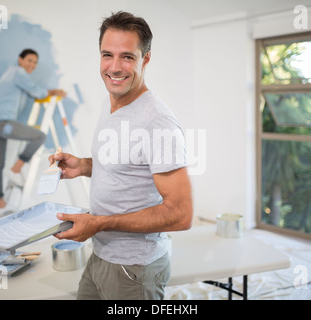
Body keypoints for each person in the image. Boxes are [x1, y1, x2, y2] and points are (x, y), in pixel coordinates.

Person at [49, 11, 193, 300]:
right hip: (101, 254)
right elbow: (125, 166)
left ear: (146, 59)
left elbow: (181, 214)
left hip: (134, 269)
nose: (114, 67)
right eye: (107, 55)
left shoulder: (157, 121)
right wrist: (83, 165)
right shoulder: (111, 101)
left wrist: (99, 222)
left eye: (127, 56)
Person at [0, 48, 66, 217]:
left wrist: (47, 92)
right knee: (39, 136)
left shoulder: (12, 74)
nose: (32, 65)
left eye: (35, 62)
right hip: (2, 123)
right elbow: (36, 91)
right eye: (29, 60)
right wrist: (54, 92)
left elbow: (32, 91)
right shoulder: (17, 72)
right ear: (20, 59)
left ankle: (0, 205)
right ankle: (15, 170)